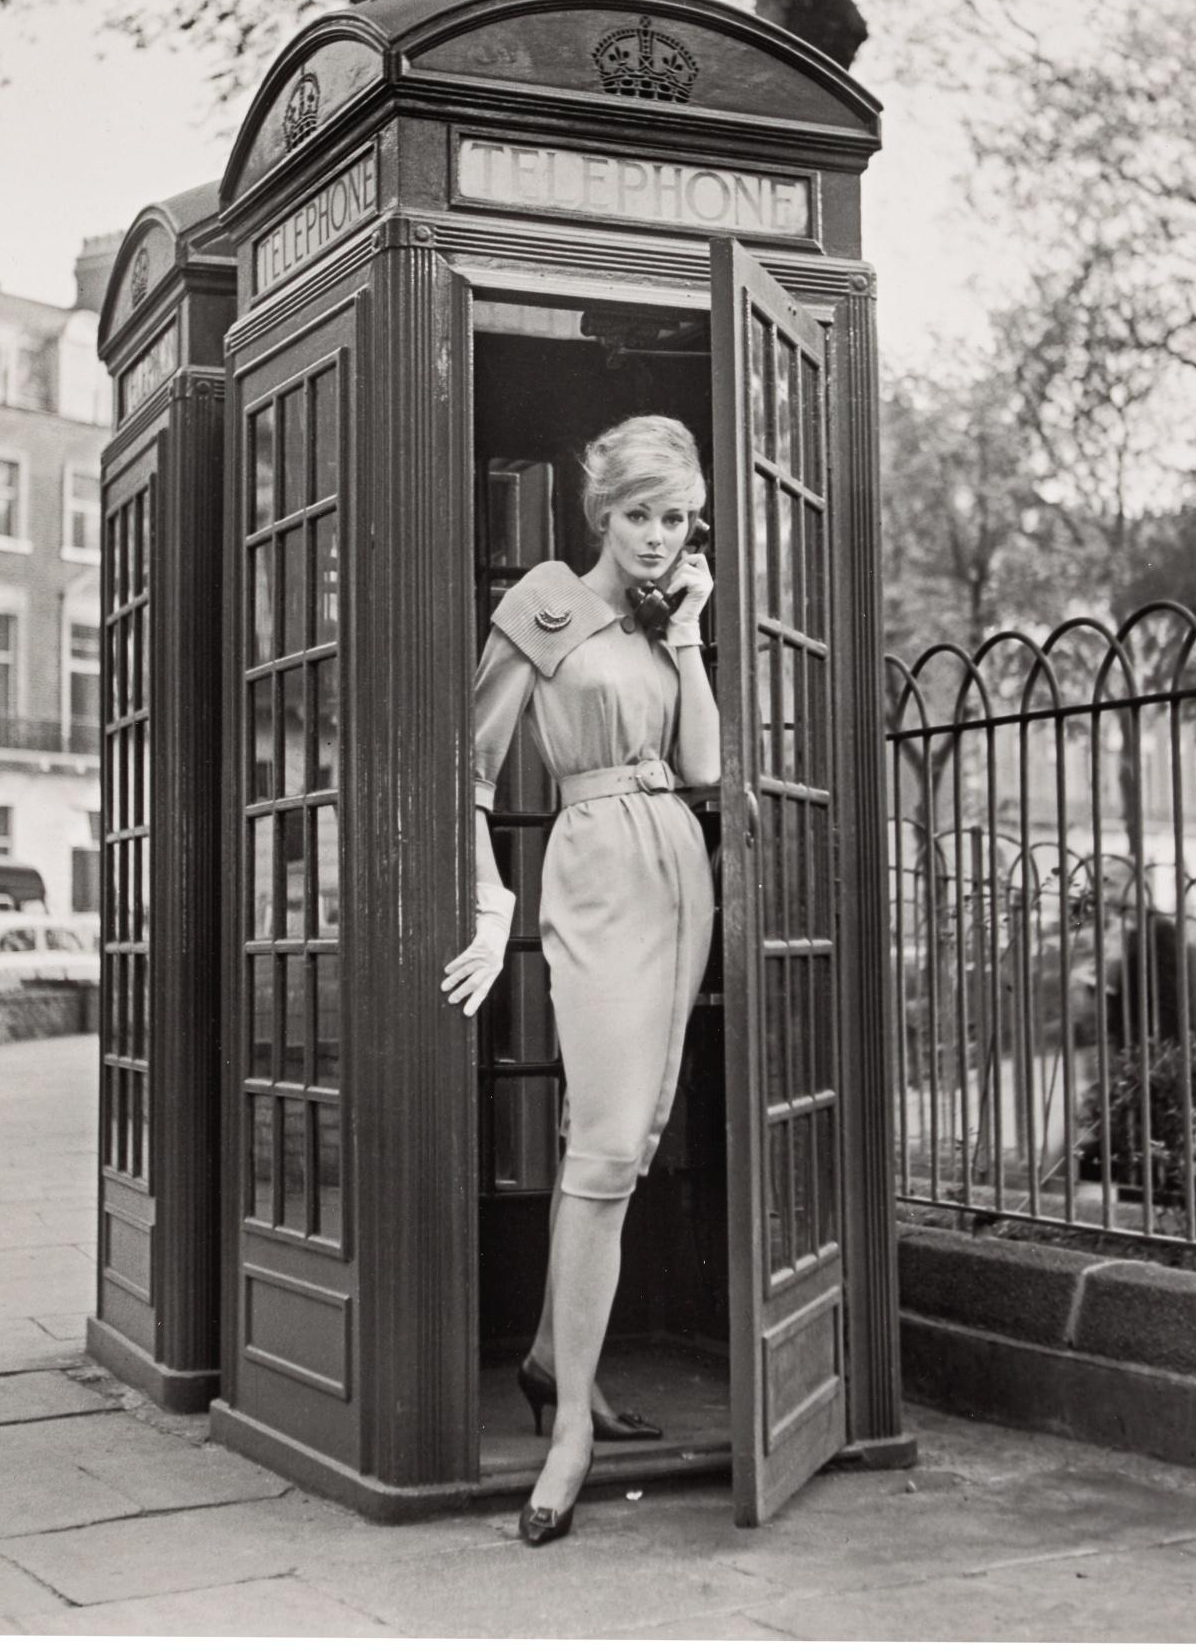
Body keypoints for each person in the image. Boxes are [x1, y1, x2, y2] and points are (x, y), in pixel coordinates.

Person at [441, 414, 720, 1547]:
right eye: (640, 514)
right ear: (598, 511)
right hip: (596, 862)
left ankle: (561, 1361)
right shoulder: (547, 604)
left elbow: (703, 767)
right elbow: (466, 757)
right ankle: (568, 1433)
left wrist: (692, 635)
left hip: (679, 869)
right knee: (604, 1143)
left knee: (631, 1133)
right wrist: (490, 895)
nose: (657, 538)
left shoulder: (664, 627)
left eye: (676, 519)